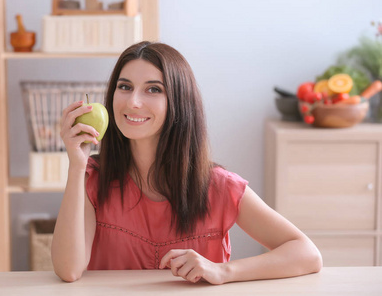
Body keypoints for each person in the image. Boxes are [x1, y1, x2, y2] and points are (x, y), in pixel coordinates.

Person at [51, 41, 322, 285]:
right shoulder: (93, 178)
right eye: (125, 87)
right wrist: (77, 164)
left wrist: (223, 271)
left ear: (179, 103)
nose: (133, 102)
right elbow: (68, 269)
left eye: (153, 89)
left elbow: (306, 253)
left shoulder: (218, 186)